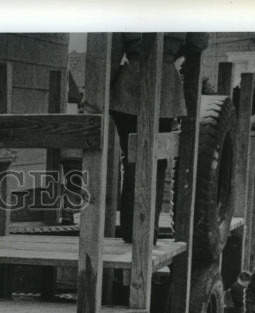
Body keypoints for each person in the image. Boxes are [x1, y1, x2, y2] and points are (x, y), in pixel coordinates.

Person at [87, 33, 210, 243]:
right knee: (156, 162)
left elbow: (113, 53)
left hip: (130, 88)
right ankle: (145, 233)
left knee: (133, 161)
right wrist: (173, 52)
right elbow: (199, 42)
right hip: (164, 87)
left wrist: (101, 96)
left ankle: (133, 232)